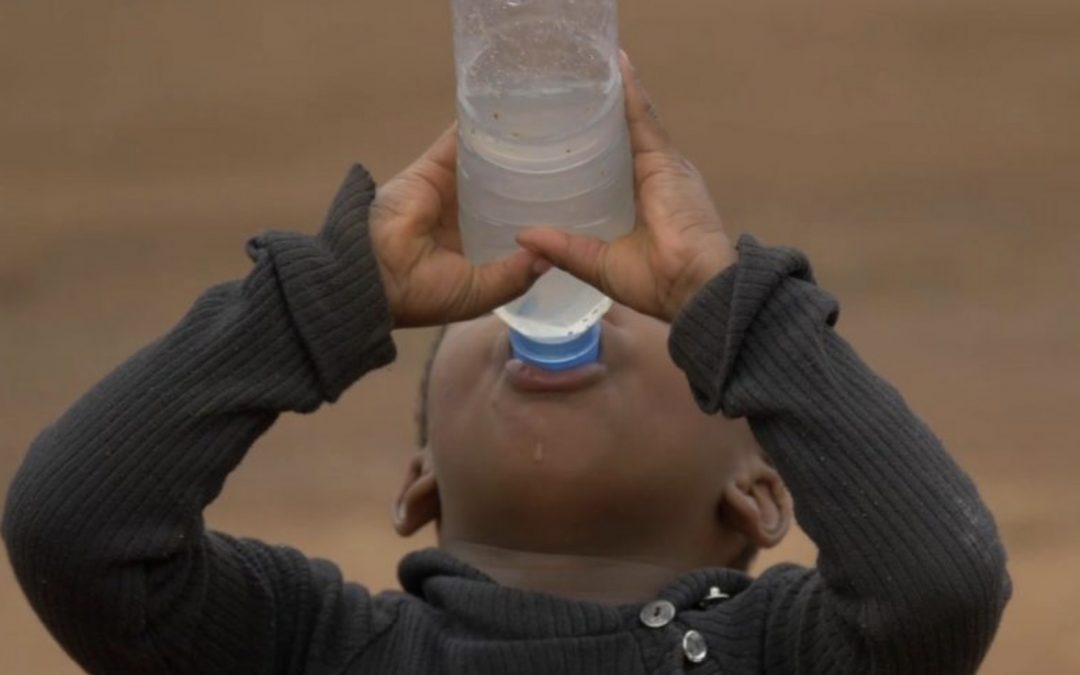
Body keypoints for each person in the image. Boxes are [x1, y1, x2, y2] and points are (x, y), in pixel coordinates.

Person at [3, 54, 1009, 674]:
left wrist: (731, 308)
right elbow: (75, 530)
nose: (555, 297)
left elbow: (942, 583)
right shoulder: (309, 647)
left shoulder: (788, 657)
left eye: (639, 305)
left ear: (757, 493)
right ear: (421, 480)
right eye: (491, 306)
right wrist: (323, 297)